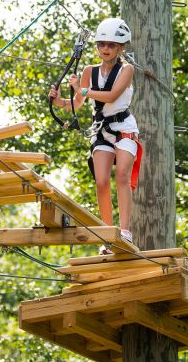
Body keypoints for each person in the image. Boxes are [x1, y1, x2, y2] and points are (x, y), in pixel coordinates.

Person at [48, 17, 142, 251]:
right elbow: (77, 103)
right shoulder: (90, 71)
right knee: (101, 181)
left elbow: (110, 96)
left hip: (124, 128)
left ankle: (125, 231)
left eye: (111, 45)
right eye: (101, 44)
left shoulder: (127, 70)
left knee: (121, 175)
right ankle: (106, 235)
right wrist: (59, 100)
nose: (105, 49)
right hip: (101, 129)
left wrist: (82, 89)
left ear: (120, 47)